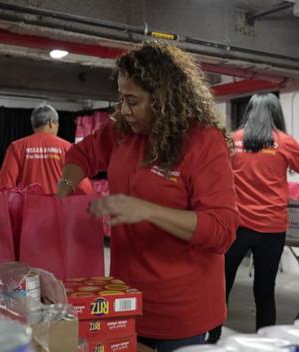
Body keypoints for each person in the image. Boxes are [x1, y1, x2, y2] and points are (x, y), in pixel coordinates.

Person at [57, 42, 239, 352]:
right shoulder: (122, 132)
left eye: (134, 101)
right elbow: (81, 154)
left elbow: (222, 229)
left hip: (180, 312)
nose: (124, 110)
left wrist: (147, 210)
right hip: (125, 300)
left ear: (164, 100)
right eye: (121, 99)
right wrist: (63, 193)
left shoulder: (202, 142)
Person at [207, 93, 299, 343]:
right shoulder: (285, 141)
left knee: (220, 287)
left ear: (248, 111)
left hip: (235, 227)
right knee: (265, 291)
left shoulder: (233, 140)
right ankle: (266, 344)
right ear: (276, 113)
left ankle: (211, 342)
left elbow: (214, 172)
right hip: (271, 228)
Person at [0, 104, 92, 195]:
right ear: (51, 123)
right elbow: (85, 188)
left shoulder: (16, 147)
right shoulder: (68, 147)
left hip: (28, 208)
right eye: (57, 124)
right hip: (59, 208)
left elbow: (4, 186)